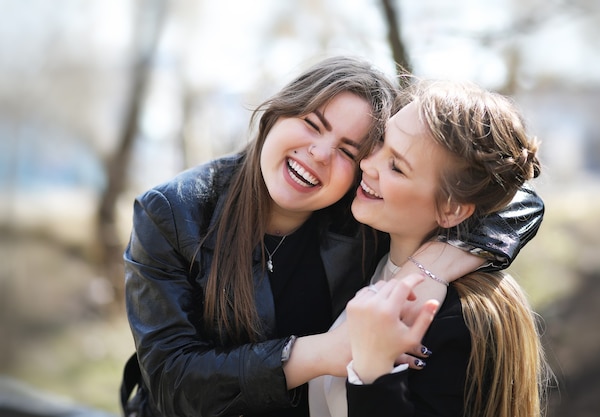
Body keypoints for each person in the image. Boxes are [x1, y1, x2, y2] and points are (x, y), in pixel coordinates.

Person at [120, 57, 545, 417]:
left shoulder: (359, 207)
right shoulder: (174, 213)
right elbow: (170, 379)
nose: (320, 154)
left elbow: (506, 193)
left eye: (348, 150)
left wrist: (429, 267)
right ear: (275, 114)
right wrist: (327, 351)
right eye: (311, 123)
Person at [309, 79, 551, 417]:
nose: (368, 164)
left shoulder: (465, 319)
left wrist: (374, 369)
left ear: (452, 209)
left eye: (396, 166)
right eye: (380, 141)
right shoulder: (364, 253)